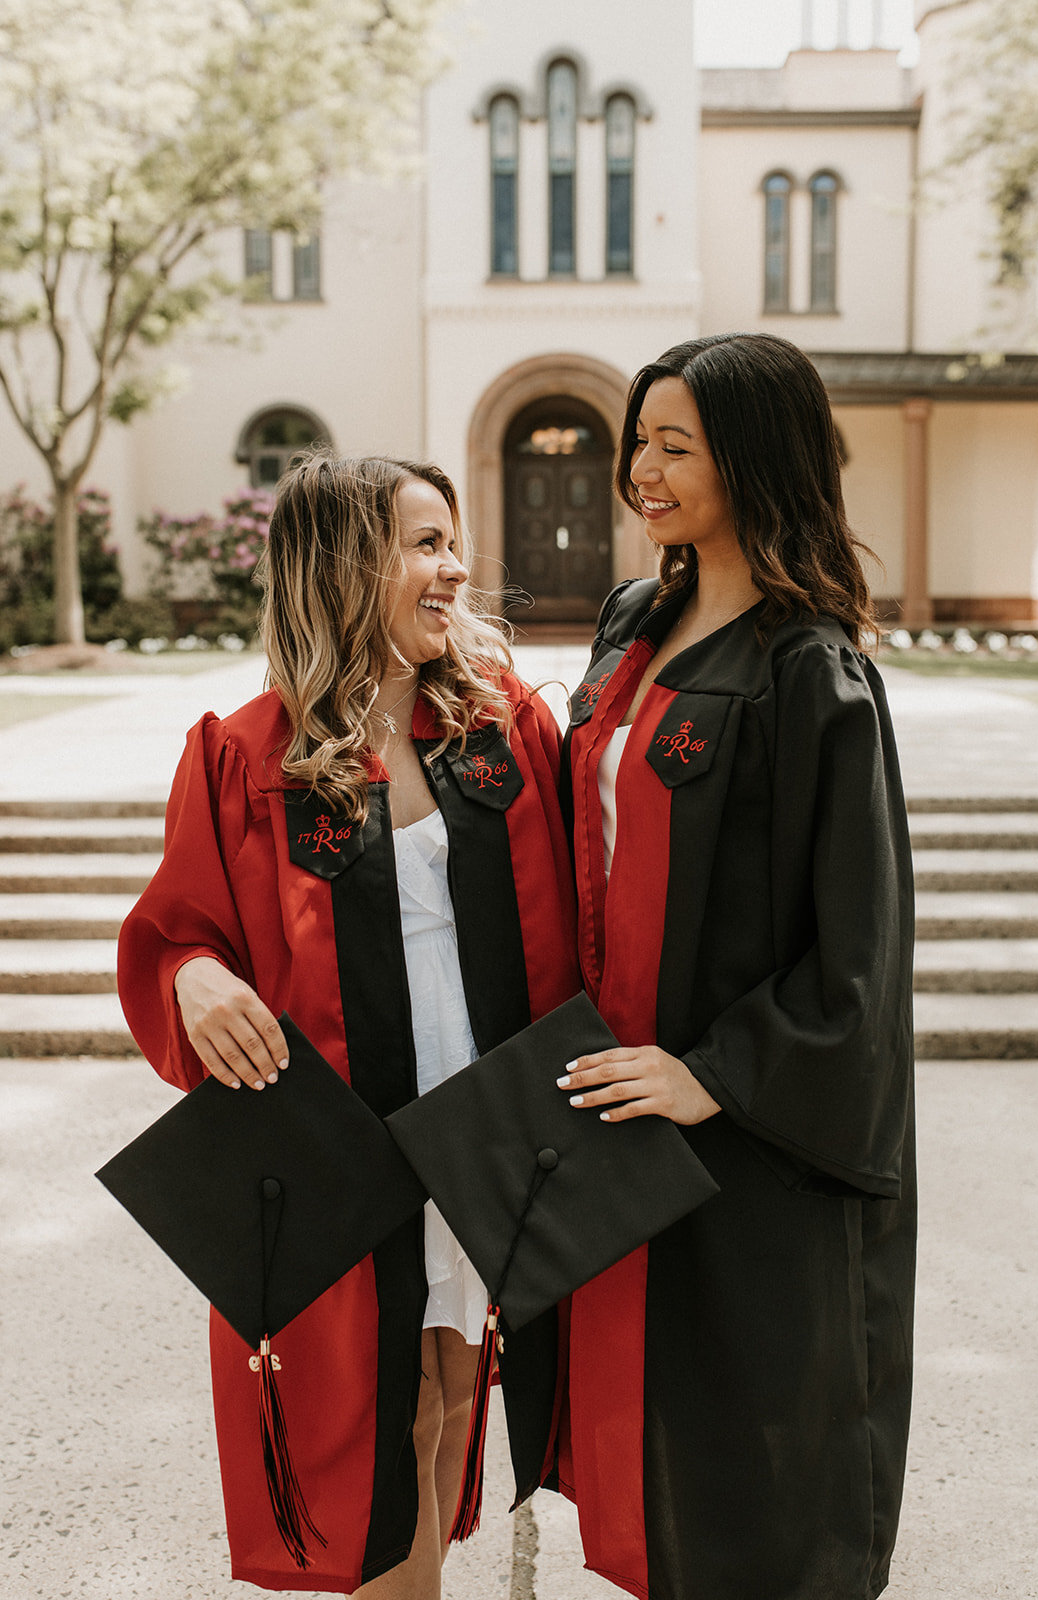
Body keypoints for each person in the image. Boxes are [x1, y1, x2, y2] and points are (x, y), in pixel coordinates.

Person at [117, 451, 579, 1597]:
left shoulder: (501, 723)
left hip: (481, 1127)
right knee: (370, 1424)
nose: (456, 567)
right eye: (424, 544)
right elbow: (175, 929)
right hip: (347, 1144)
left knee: (451, 1395)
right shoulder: (243, 753)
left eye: (450, 540)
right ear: (342, 563)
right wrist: (189, 979)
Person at [556, 333, 916, 1600]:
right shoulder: (632, 619)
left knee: (747, 1470)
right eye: (635, 441)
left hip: (740, 1133)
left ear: (750, 460)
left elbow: (858, 945)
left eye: (674, 446)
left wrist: (712, 1073)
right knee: (644, 1454)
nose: (640, 471)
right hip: (617, 1103)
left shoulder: (807, 670)